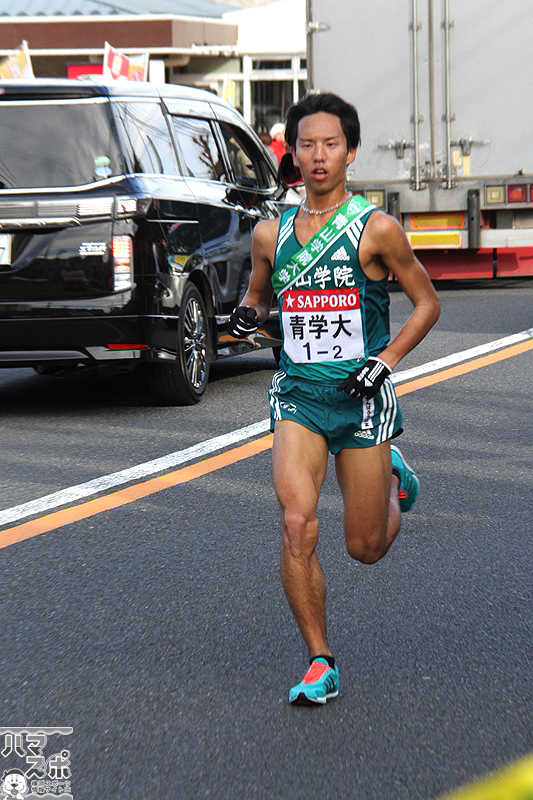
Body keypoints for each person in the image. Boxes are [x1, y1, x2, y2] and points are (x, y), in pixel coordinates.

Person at [227, 92, 440, 705]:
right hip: (299, 396)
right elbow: (260, 297)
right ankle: (320, 659)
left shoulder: (377, 230)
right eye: (308, 145)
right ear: (291, 152)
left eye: (331, 145)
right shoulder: (271, 235)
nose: (319, 156)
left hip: (362, 398)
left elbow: (427, 303)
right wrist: (247, 314)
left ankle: (395, 478)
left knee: (365, 548)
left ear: (351, 151)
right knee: (297, 523)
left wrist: (385, 361)